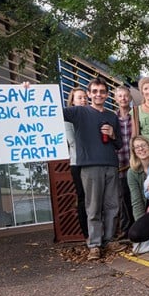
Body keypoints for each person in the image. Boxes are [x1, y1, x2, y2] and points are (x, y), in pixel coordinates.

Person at [63, 77, 123, 261]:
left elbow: (119, 144)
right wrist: (29, 91)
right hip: (89, 166)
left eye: (102, 91)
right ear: (88, 94)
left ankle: (109, 239)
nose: (98, 94)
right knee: (93, 206)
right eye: (94, 91)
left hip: (111, 164)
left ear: (106, 95)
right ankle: (95, 245)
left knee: (113, 205)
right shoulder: (79, 112)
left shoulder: (112, 116)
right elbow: (52, 112)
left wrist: (113, 134)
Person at [64, 86, 88, 239]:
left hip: (93, 163)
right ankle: (87, 234)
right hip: (78, 163)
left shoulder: (91, 115)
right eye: (79, 97)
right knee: (83, 198)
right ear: (72, 101)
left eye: (85, 97)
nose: (83, 100)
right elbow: (72, 141)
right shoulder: (68, 118)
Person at [113, 85, 134, 240]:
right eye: (120, 96)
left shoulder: (136, 116)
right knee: (123, 198)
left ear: (130, 97)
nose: (123, 99)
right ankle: (126, 229)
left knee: (137, 196)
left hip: (135, 162)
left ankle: (138, 225)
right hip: (120, 163)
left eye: (125, 96)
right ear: (116, 99)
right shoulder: (112, 118)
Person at [127, 136, 149, 222]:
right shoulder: (132, 172)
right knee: (136, 233)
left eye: (143, 145)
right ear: (134, 152)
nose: (141, 149)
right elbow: (137, 201)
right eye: (137, 147)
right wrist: (141, 222)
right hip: (146, 210)